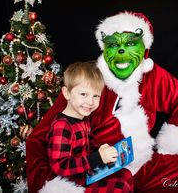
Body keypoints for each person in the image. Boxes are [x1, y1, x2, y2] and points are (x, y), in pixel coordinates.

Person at [26, 11, 178, 193]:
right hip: (99, 169)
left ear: (144, 49)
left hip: (142, 163)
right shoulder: (88, 79)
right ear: (105, 48)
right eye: (113, 45)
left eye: (130, 43)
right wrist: (51, 184)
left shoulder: (152, 75)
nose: (121, 51)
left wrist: (170, 145)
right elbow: (37, 140)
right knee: (122, 184)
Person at [26, 61, 133, 193]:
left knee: (125, 175)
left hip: (85, 173)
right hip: (70, 182)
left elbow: (86, 148)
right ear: (67, 93)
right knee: (120, 188)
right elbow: (60, 166)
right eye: (83, 94)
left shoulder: (84, 120)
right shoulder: (62, 126)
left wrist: (101, 151)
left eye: (96, 96)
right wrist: (97, 158)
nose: (90, 102)